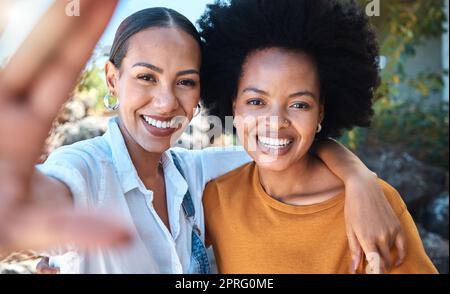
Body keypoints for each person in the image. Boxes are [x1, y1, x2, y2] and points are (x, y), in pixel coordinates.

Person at [1, 3, 402, 274]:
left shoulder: (198, 172)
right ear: (112, 79)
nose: (165, 102)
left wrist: (361, 181)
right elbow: (34, 202)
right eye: (146, 77)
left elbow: (280, 144)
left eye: (185, 82)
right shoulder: (83, 171)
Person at [199, 0, 437, 273]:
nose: (276, 123)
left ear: (321, 113)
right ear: (233, 105)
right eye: (256, 101)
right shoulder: (216, 198)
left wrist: (358, 180)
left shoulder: (373, 203)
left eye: (299, 104)